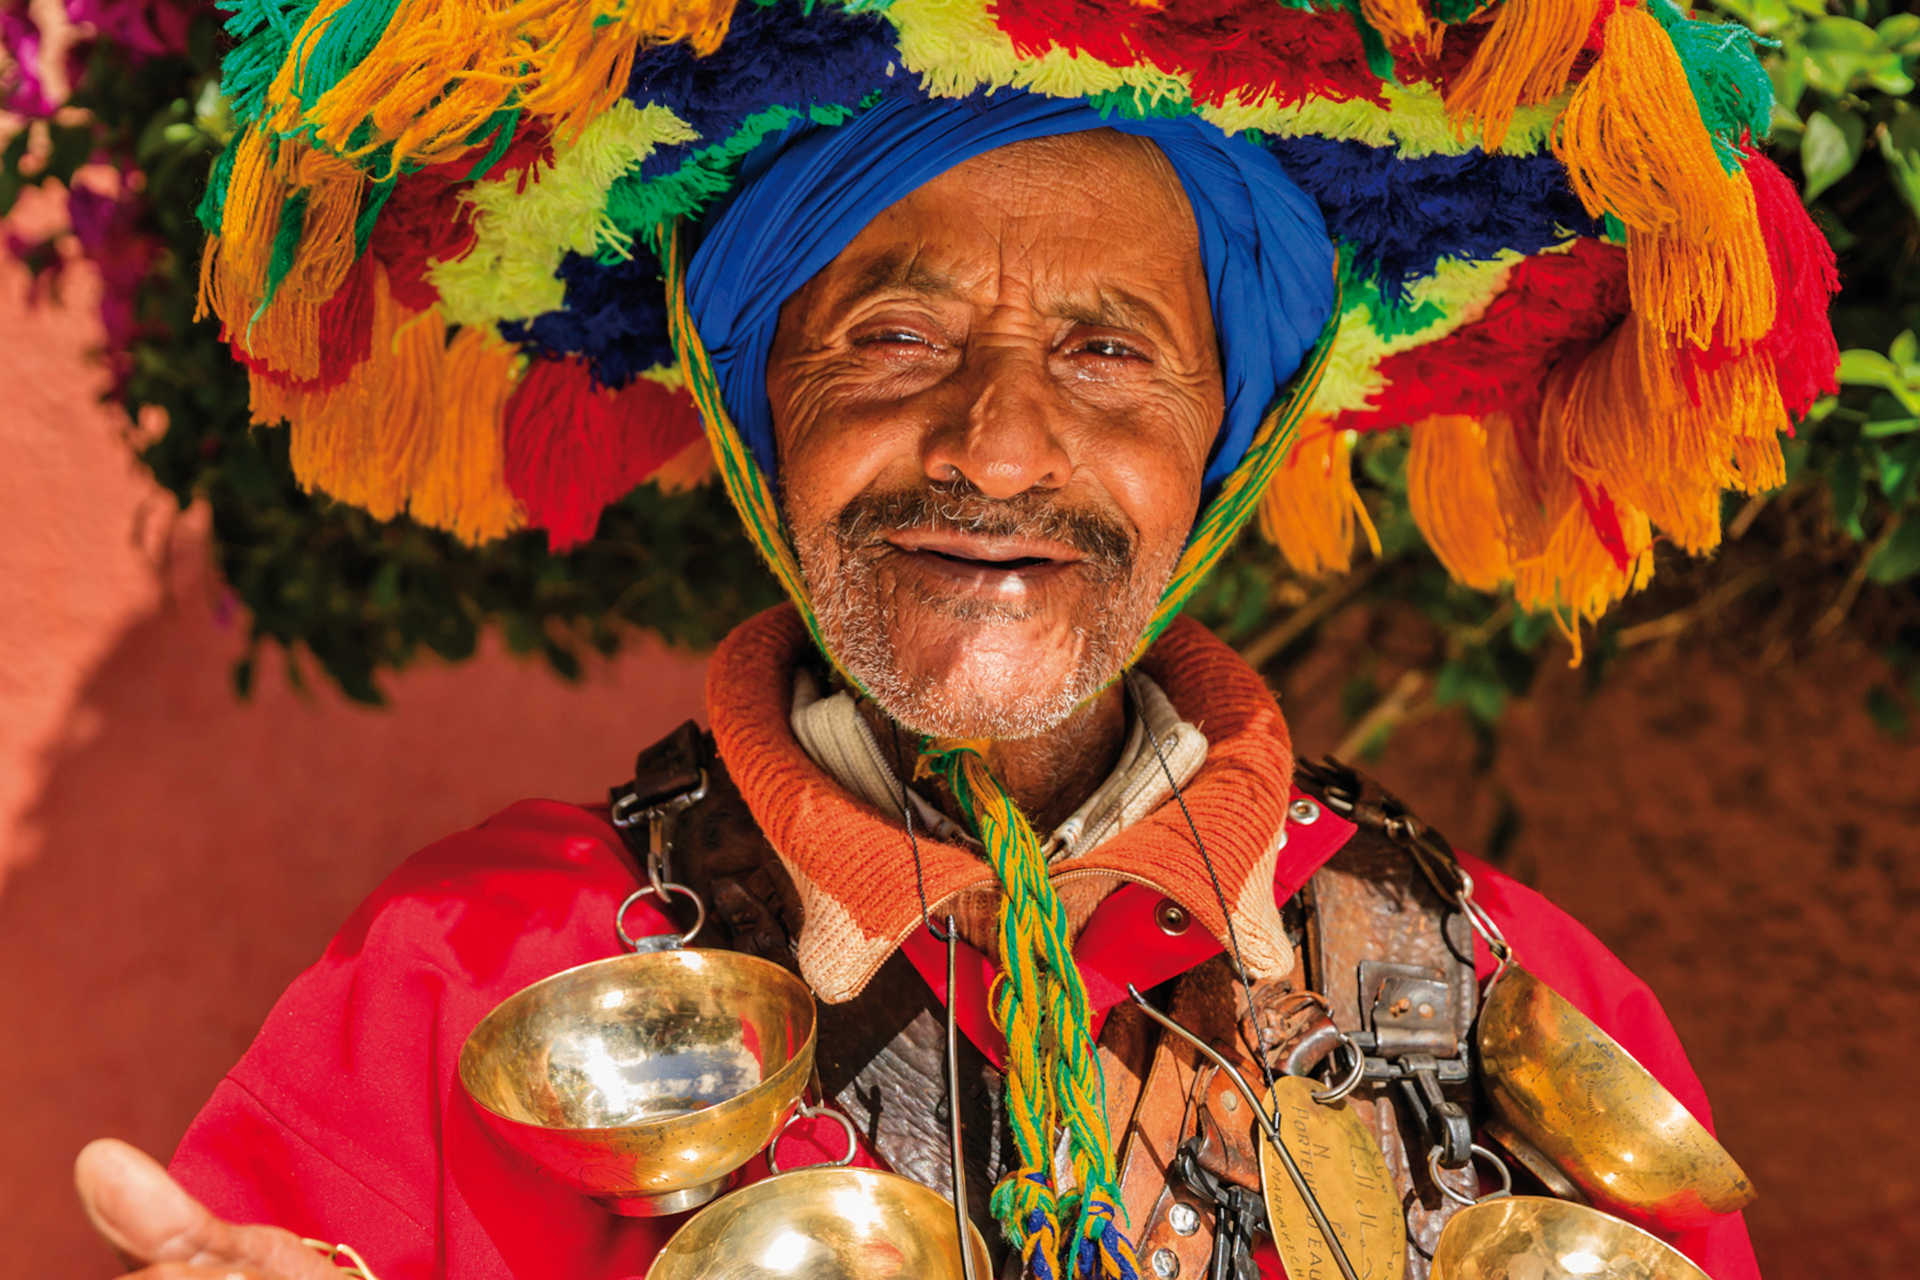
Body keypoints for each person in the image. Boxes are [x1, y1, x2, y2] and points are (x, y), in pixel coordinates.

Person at [72, 2, 1836, 1278]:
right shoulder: (463, 975)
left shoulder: (1511, 1002)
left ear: (1229, 443)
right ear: (754, 402)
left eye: (1110, 352)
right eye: (896, 337)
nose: (996, 452)